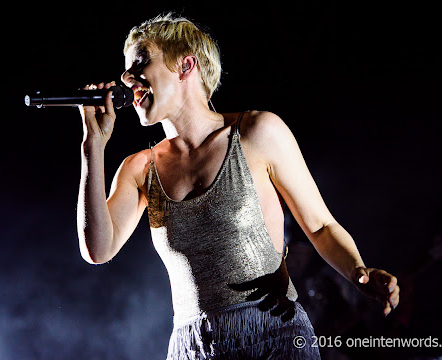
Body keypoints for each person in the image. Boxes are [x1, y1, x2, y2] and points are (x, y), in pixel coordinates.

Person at [76, 13, 400, 359]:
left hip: (274, 336)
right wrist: (92, 146)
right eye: (127, 68)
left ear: (186, 65)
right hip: (193, 349)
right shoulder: (140, 168)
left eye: (140, 61)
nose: (126, 77)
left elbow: (320, 226)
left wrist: (358, 271)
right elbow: (98, 249)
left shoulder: (257, 132)